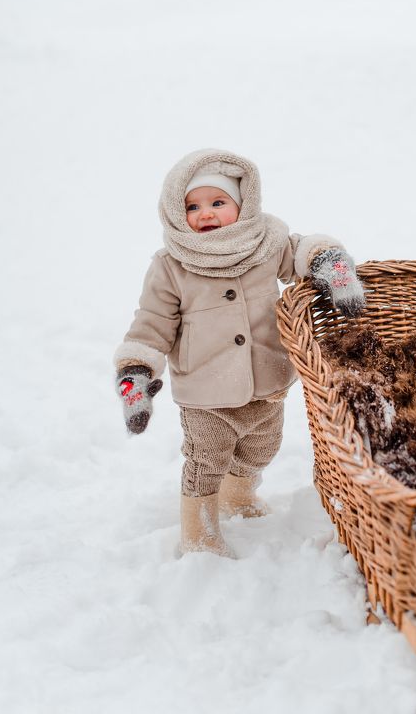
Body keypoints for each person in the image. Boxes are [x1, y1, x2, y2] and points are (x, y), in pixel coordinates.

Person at [113, 148, 365, 557]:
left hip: (267, 382)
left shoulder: (265, 243)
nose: (206, 213)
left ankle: (237, 498)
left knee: (262, 448)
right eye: (193, 206)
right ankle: (200, 533)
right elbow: (152, 322)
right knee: (205, 462)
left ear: (242, 204)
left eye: (218, 202)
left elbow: (300, 251)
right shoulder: (171, 265)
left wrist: (328, 262)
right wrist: (136, 370)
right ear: (177, 212)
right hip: (206, 394)